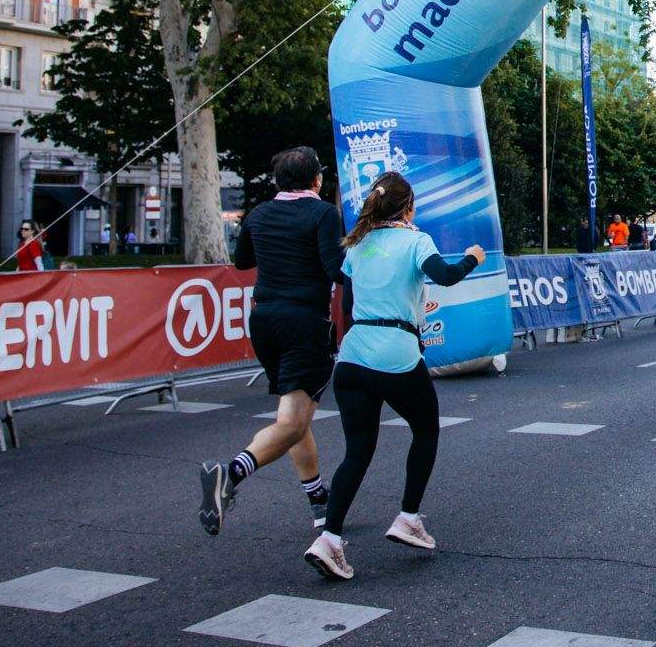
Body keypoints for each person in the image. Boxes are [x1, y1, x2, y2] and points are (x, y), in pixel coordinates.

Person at [304, 170, 484, 582]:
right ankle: (408, 517)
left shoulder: (358, 244)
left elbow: (348, 303)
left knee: (356, 452)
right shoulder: (416, 240)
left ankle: (329, 539)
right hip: (397, 351)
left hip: (352, 356)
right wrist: (473, 257)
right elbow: (444, 275)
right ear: (409, 206)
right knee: (425, 430)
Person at [200, 147, 345, 537]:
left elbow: (243, 262)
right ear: (316, 180)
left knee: (294, 416)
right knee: (294, 420)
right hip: (304, 321)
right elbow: (336, 269)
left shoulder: (259, 214)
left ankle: (319, 501)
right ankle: (229, 476)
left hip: (263, 320)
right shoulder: (323, 214)